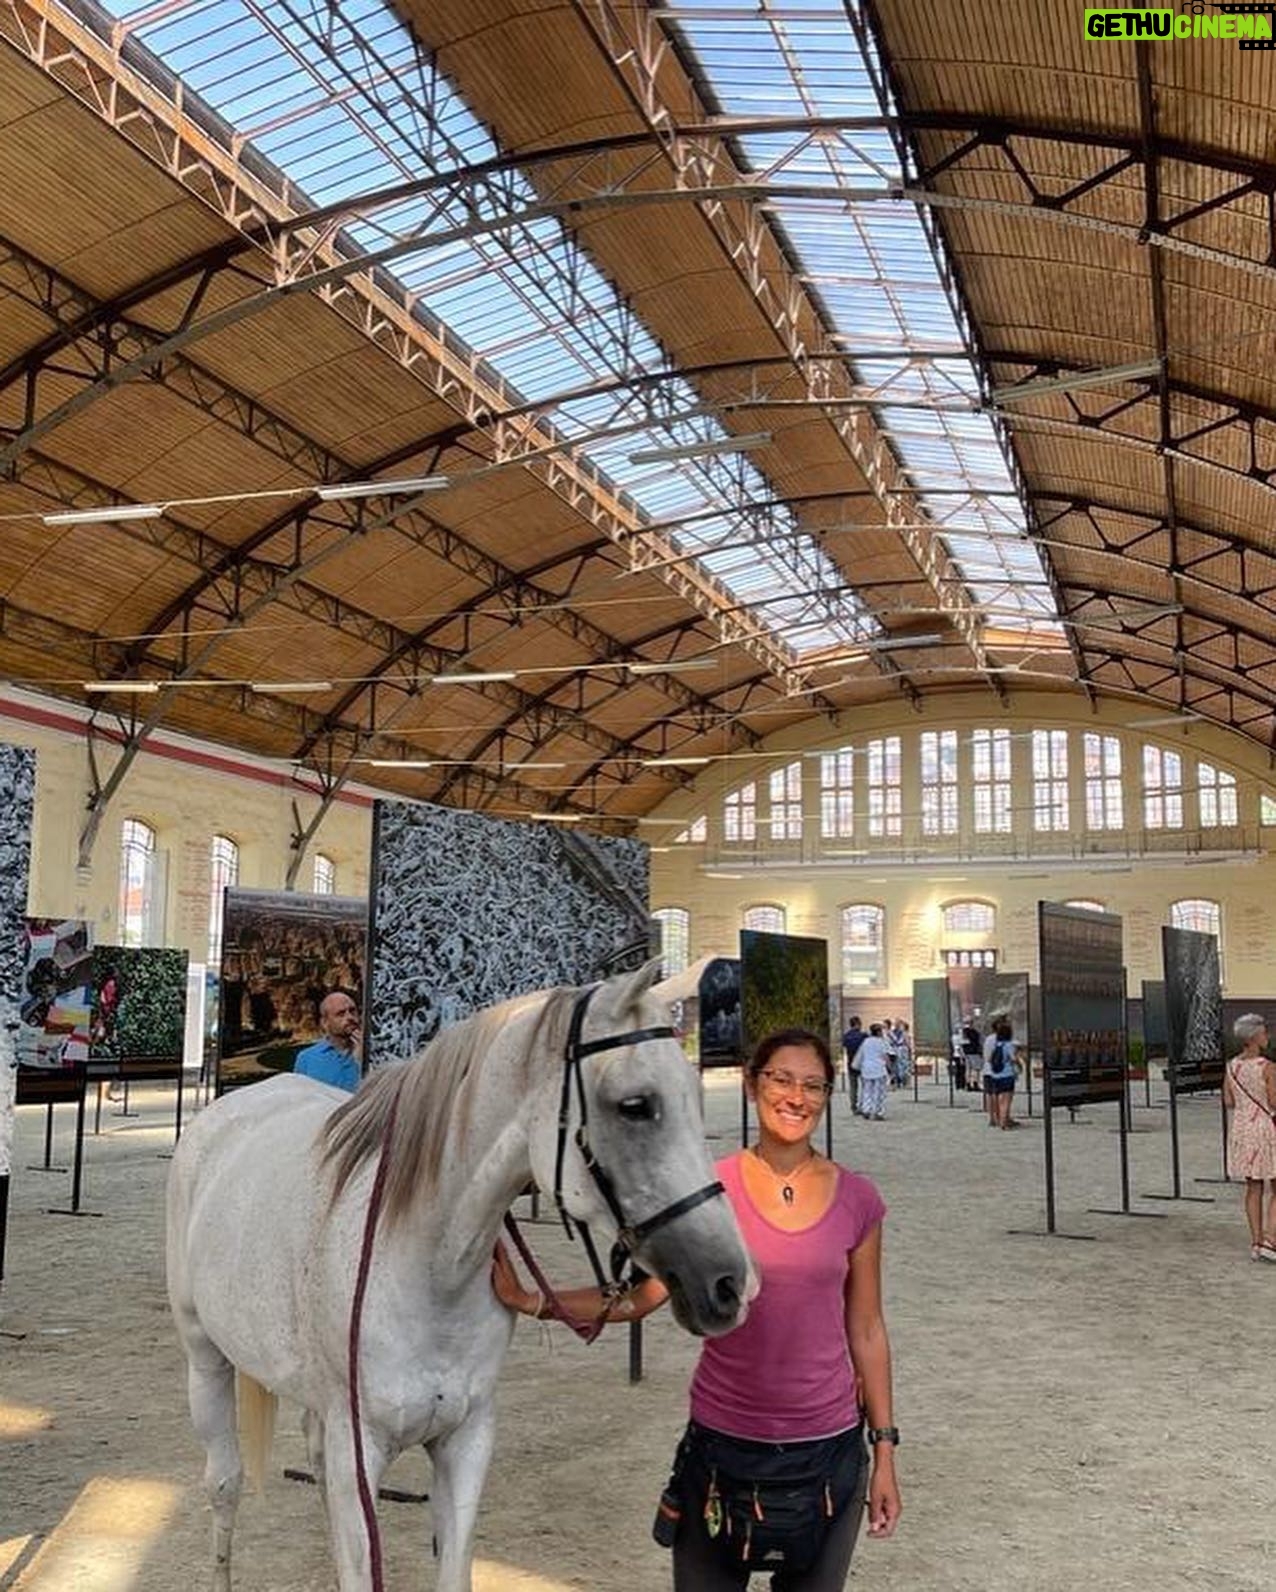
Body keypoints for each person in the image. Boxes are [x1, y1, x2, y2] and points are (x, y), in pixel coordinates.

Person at [492, 1027, 901, 1589]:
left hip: (828, 1452)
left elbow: (868, 1329)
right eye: (781, 1079)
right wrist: (534, 1300)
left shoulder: (857, 1199)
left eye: (813, 1085)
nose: (796, 1097)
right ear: (753, 1085)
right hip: (722, 1449)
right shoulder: (711, 1189)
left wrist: (885, 1453)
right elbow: (642, 1296)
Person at [1222, 1013, 1276, 1261]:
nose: (1267, 1036)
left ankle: (1256, 1242)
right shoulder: (1267, 1067)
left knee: (1253, 1187)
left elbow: (1227, 1100)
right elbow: (1274, 1100)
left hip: (1242, 1129)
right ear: (1254, 1036)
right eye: (1264, 1032)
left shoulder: (1231, 1066)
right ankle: (1271, 1240)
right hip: (1266, 1129)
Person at [293, 989, 361, 1092]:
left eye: (352, 1011)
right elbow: (300, 1097)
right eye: (341, 1014)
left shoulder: (375, 1053)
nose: (350, 1017)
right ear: (325, 1022)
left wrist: (363, 1060)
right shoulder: (306, 1059)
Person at [981, 1019, 1019, 1130]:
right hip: (1006, 1074)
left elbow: (987, 1057)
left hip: (991, 1072)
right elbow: (1013, 1059)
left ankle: (993, 1118)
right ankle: (1004, 1120)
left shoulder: (990, 1040)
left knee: (992, 1095)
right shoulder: (1008, 1044)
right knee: (1006, 1100)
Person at [855, 1023, 891, 1121]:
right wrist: (889, 1068)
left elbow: (861, 1054)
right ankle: (877, 1111)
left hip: (866, 1069)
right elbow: (886, 1056)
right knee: (878, 1092)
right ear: (878, 1032)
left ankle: (866, 1109)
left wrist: (857, 1066)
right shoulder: (881, 1042)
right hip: (878, 1069)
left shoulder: (866, 1041)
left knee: (867, 1090)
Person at [842, 1016, 865, 1109]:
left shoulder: (846, 1036)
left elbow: (844, 1046)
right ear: (857, 1024)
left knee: (853, 1086)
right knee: (865, 1086)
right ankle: (864, 1104)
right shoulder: (863, 1036)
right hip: (862, 1063)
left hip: (851, 1063)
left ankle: (853, 1105)